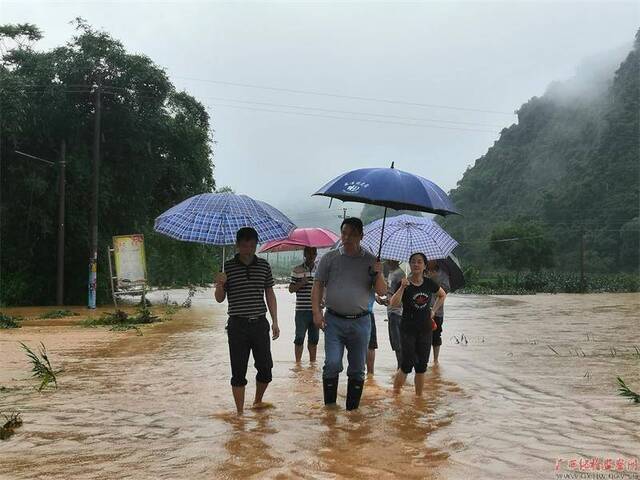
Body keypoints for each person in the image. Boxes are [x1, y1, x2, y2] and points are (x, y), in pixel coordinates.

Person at [312, 217, 387, 410]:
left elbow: (381, 291)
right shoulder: (329, 258)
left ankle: (352, 414)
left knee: (357, 369)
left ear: (361, 236)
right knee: (332, 363)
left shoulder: (371, 260)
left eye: (353, 234)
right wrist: (316, 313)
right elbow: (318, 284)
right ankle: (330, 411)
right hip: (333, 320)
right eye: (344, 233)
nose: (347, 237)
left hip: (361, 322)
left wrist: (378, 273)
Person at [215, 227, 280, 415]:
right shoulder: (226, 267)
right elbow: (219, 299)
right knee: (238, 371)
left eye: (252, 245)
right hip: (237, 325)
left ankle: (257, 402)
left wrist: (275, 320)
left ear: (256, 245)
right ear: (237, 245)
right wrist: (220, 284)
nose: (248, 249)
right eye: (244, 245)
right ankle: (240, 414)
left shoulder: (264, 266)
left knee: (266, 369)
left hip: (260, 323)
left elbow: (270, 293)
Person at [389, 252, 446, 396]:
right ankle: (395, 394)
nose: (416, 264)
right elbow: (393, 304)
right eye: (413, 261)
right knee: (406, 365)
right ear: (409, 264)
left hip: (425, 328)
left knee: (422, 366)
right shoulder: (404, 283)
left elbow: (442, 295)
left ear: (424, 266)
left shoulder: (429, 283)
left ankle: (419, 398)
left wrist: (434, 310)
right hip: (408, 329)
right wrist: (402, 288)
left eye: (419, 262)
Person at [289, 247, 319, 363]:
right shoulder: (297, 270)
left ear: (316, 255)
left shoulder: (320, 270)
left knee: (314, 339)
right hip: (301, 310)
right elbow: (291, 289)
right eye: (309, 253)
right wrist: (301, 283)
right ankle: (298, 364)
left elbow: (324, 288)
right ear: (305, 254)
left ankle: (312, 364)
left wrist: (323, 301)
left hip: (316, 310)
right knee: (299, 338)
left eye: (314, 253)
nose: (312, 256)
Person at [376, 259, 406, 370]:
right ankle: (400, 366)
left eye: (390, 259)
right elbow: (390, 292)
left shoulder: (399, 274)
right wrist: (384, 300)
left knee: (397, 341)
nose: (388, 261)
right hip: (391, 310)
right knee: (395, 341)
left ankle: (401, 367)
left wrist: (386, 300)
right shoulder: (392, 273)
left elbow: (397, 294)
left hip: (397, 311)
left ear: (396, 260)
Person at [427, 260, 450, 364]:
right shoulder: (421, 271)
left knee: (436, 335)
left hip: (438, 310)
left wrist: (434, 281)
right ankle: (424, 359)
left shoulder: (442, 274)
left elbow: (445, 291)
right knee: (423, 336)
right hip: (422, 310)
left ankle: (435, 360)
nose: (429, 260)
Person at [366, 290, 377, 375]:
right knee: (371, 346)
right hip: (367, 313)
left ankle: (369, 376)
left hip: (349, 312)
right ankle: (370, 375)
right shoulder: (369, 276)